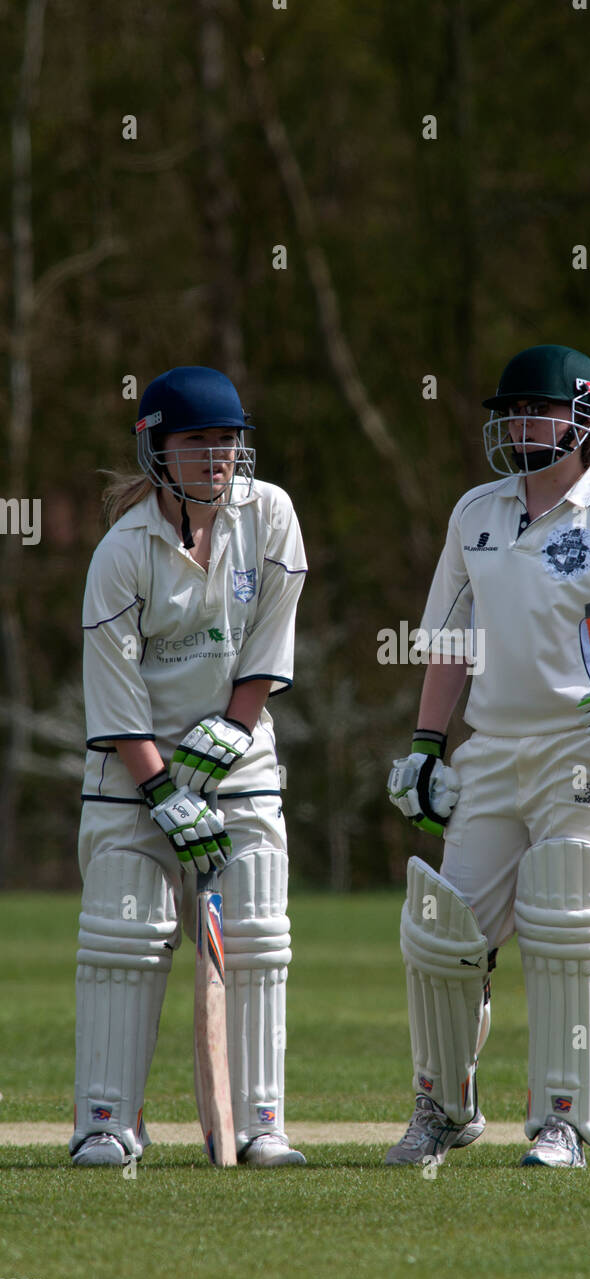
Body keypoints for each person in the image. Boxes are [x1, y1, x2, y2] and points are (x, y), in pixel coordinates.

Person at [386, 343, 590, 1168]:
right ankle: (441, 1109)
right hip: (489, 752)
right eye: (510, 412)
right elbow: (449, 641)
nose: (520, 424)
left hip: (578, 751)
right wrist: (425, 747)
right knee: (443, 936)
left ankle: (563, 1120)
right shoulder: (474, 513)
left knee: (567, 927)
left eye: (538, 410)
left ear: (583, 418)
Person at [71, 365, 308, 1168]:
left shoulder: (269, 513)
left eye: (228, 440)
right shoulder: (121, 552)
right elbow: (114, 694)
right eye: (197, 440)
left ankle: (259, 1122)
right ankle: (106, 1121)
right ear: (156, 450)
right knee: (124, 933)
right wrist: (166, 791)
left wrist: (226, 739)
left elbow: (270, 646)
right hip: (133, 774)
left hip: (237, 760)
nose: (217, 457)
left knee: (255, 933)